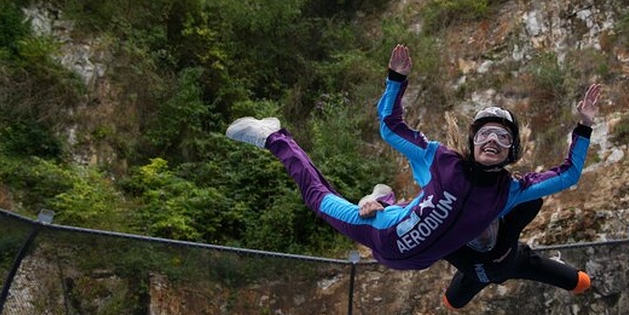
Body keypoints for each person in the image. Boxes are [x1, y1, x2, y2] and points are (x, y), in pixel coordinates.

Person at [226, 44, 601, 271]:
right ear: (472, 141)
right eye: (485, 133)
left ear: (511, 151)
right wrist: (396, 79)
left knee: (419, 201)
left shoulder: (509, 192)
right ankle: (273, 136)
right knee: (317, 198)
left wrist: (583, 127)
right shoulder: (442, 160)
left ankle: (383, 195)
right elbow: (391, 126)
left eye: (503, 137)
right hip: (379, 228)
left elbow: (568, 174)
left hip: (414, 261)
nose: (493, 140)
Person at [358, 192, 591, 309]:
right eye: (473, 228)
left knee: (581, 282)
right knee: (452, 302)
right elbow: (410, 217)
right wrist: (380, 205)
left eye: (486, 224)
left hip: (515, 261)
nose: (481, 233)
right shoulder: (447, 237)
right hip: (477, 272)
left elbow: (534, 198)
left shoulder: (508, 225)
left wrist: (512, 188)